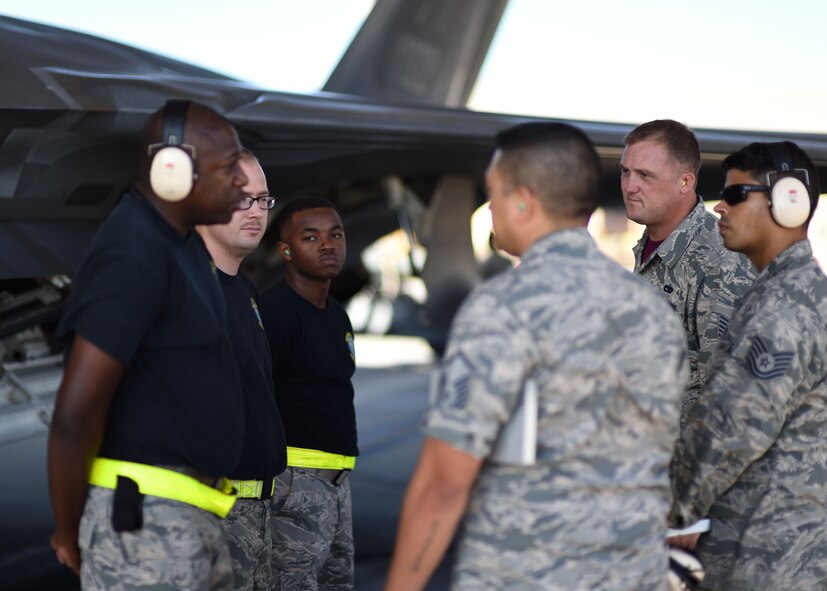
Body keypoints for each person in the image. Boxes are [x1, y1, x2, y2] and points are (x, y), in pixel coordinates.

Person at [385, 122, 689, 590]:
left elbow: (444, 482)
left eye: (493, 195)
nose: (492, 210)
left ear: (523, 201)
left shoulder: (504, 307)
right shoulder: (652, 310)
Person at [47, 99, 249, 590]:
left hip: (188, 519)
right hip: (144, 532)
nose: (242, 182)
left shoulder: (178, 246)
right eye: (229, 169)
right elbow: (76, 415)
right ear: (172, 171)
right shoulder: (134, 251)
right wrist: (70, 533)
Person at [669, 141, 827, 590]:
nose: (720, 206)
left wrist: (669, 512)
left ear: (789, 203)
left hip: (765, 559)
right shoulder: (792, 295)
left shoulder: (784, 309)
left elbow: (728, 428)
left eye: (737, 195)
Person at [621, 119, 754, 423]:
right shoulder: (651, 247)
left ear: (685, 182)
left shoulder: (720, 261)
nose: (630, 186)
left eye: (645, 175)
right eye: (625, 171)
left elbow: (730, 402)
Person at [196, 148, 288, 590]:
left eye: (263, 199)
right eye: (241, 198)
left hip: (257, 510)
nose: (256, 211)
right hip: (212, 513)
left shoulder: (244, 289)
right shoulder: (188, 290)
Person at [259, 196, 358, 590]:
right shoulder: (276, 313)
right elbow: (254, 395)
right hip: (293, 483)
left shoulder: (336, 313)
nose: (327, 245)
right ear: (286, 250)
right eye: (311, 237)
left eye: (335, 234)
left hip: (336, 484)